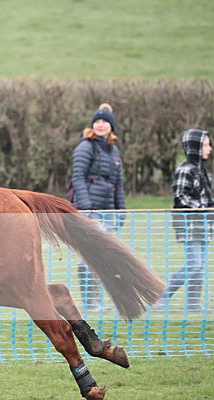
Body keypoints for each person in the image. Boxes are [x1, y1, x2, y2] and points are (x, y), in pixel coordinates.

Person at [69, 103, 126, 312]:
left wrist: (121, 211)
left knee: (103, 257)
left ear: (111, 126)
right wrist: (85, 207)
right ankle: (90, 303)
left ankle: (97, 302)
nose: (100, 125)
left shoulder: (114, 151)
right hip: (89, 211)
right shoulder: (85, 147)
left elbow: (118, 184)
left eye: (105, 121)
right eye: (97, 121)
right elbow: (77, 177)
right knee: (90, 257)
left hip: (107, 211)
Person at [158, 129, 214, 312]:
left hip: (204, 225)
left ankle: (193, 302)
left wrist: (212, 209)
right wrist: (203, 208)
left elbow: (207, 199)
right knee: (194, 264)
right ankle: (162, 295)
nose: (209, 149)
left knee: (200, 266)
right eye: (205, 145)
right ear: (195, 147)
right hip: (190, 225)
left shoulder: (204, 172)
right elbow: (181, 198)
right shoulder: (185, 170)